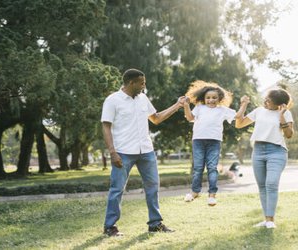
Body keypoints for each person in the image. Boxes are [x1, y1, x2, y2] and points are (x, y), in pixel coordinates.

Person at [101, 68, 185, 236]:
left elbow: (156, 118)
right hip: (123, 152)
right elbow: (106, 126)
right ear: (131, 83)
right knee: (117, 189)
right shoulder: (113, 100)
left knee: (153, 186)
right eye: (142, 83)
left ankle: (155, 224)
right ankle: (110, 226)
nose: (144, 85)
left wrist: (178, 105)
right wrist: (112, 152)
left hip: (146, 151)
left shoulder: (143, 98)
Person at [235, 88, 294, 229]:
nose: (265, 102)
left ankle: (270, 221)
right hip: (258, 151)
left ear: (280, 104)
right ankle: (267, 219)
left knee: (271, 184)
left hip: (277, 151)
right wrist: (243, 105)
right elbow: (239, 124)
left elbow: (289, 135)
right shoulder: (259, 111)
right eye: (266, 98)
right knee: (262, 187)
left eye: (269, 101)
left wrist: (281, 117)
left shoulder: (286, 113)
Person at [183, 80, 236, 206]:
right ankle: (195, 192)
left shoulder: (222, 110)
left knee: (212, 168)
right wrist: (186, 105)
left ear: (219, 98)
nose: (211, 100)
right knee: (198, 168)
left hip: (214, 142)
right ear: (204, 98)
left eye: (214, 98)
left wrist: (244, 104)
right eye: (208, 98)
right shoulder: (199, 108)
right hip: (198, 141)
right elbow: (190, 118)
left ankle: (212, 195)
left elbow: (237, 115)